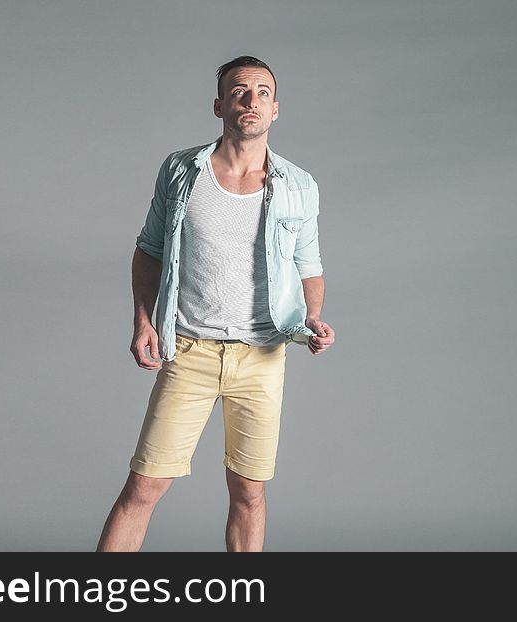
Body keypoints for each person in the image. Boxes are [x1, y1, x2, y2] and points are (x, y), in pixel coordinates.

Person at [95, 55, 335, 552]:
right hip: (189, 352)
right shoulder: (182, 171)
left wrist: (312, 318)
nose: (251, 100)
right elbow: (148, 250)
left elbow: (309, 265)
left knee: (249, 492)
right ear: (219, 105)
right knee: (143, 488)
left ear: (275, 110)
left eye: (263, 92)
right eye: (240, 91)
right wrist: (143, 320)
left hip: (263, 357)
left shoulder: (300, 186)